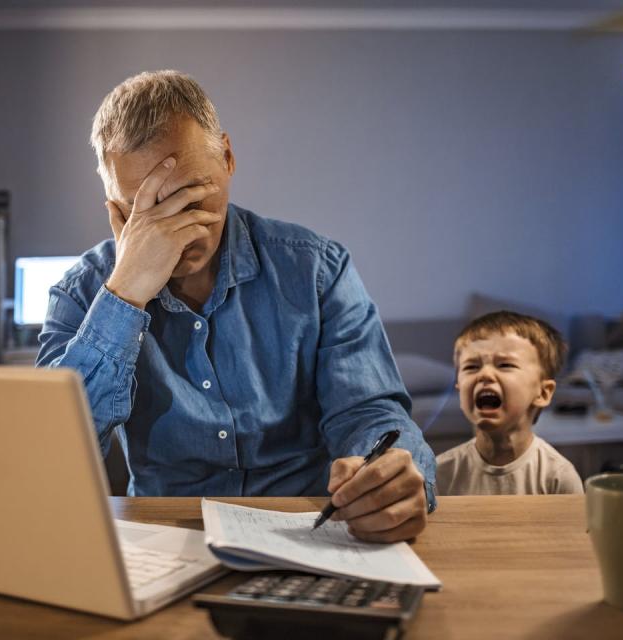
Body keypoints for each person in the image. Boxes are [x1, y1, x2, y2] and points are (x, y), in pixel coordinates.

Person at [37, 70, 436, 542]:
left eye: (192, 194)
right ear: (115, 207)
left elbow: (368, 413)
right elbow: (50, 454)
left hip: (309, 528)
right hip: (163, 535)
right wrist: (124, 294)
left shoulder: (316, 269)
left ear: (226, 157)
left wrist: (386, 474)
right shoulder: (82, 292)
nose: (180, 227)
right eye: (149, 210)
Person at [435, 311, 583, 495]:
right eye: (471, 367)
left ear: (543, 393)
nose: (485, 374)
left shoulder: (558, 477)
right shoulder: (440, 473)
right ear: (459, 391)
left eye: (505, 365)